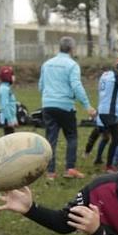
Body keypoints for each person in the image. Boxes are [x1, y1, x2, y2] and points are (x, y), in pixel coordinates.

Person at [37, 36, 94, 180]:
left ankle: (50, 172)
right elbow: (76, 85)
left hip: (48, 105)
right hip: (65, 106)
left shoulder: (47, 64)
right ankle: (70, 168)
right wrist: (87, 105)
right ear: (71, 49)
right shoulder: (72, 65)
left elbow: (40, 86)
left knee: (51, 139)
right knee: (71, 136)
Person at [0, 65, 20, 136]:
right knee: (9, 140)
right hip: (7, 119)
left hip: (10, 118)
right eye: (12, 75)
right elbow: (5, 105)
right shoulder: (4, 89)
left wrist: (14, 119)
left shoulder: (7, 88)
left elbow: (11, 104)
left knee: (11, 138)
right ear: (8, 77)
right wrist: (10, 120)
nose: (14, 77)